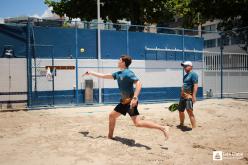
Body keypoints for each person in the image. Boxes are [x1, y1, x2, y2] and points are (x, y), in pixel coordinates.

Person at [83, 55, 169, 140]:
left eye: (119, 60)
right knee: (112, 116)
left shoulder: (128, 73)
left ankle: (163, 128)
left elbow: (139, 83)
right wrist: (91, 72)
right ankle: (110, 136)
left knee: (138, 123)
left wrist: (135, 98)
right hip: (124, 102)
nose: (118, 61)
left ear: (123, 62)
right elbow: (104, 76)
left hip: (130, 102)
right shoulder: (118, 74)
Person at [178, 61, 198, 129]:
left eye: (186, 66)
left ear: (191, 66)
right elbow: (184, 85)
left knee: (189, 111)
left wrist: (194, 96)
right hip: (182, 96)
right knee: (180, 111)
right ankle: (181, 124)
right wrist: (181, 92)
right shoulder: (185, 76)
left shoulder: (193, 74)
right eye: (184, 66)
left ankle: (194, 127)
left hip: (189, 96)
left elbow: (195, 85)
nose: (184, 67)